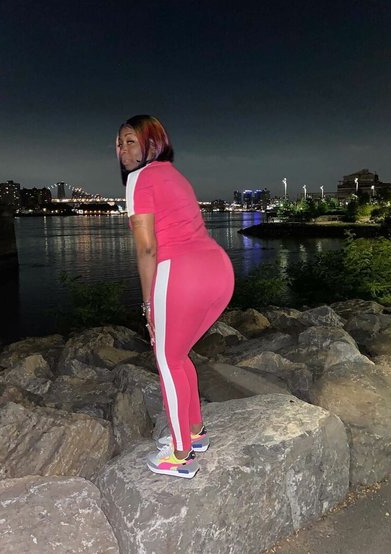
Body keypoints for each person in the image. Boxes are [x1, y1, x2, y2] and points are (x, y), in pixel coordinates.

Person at [117, 115, 234, 478]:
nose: (122, 150)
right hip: (218, 272)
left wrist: (148, 305)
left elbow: (147, 249)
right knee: (179, 355)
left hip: (182, 274)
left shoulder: (139, 179)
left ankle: (180, 455)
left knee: (166, 360)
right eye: (119, 144)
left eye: (130, 141)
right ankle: (195, 432)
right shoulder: (175, 175)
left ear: (153, 144)